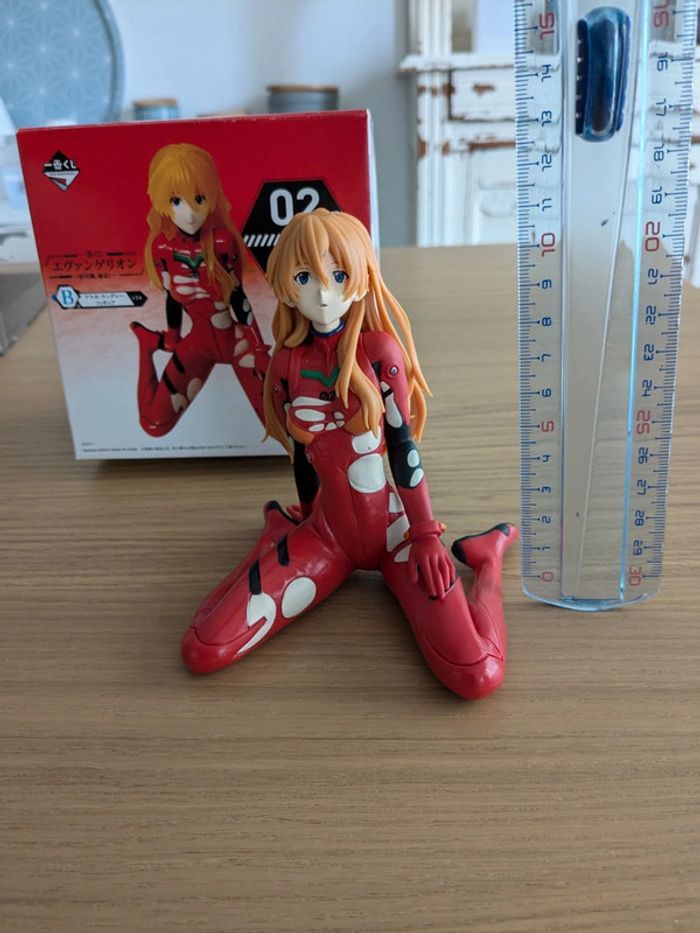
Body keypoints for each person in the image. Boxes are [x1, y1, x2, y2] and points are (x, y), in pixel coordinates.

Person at [181, 209, 517, 700]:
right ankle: (273, 534)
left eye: (338, 275)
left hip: (397, 533)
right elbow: (300, 455)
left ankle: (488, 560)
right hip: (326, 535)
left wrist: (425, 535)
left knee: (478, 673)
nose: (323, 293)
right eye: (305, 277)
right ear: (286, 286)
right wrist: (302, 518)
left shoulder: (380, 352)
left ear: (361, 276)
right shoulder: (286, 363)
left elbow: (403, 448)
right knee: (203, 648)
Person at [130, 142, 268, 436]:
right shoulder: (162, 248)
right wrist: (171, 337)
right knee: (154, 424)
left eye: (199, 199)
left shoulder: (222, 242)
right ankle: (146, 345)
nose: (191, 213)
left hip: (236, 341)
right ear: (163, 202)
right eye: (176, 201)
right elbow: (172, 297)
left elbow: (238, 296)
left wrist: (258, 346)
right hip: (199, 343)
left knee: (276, 421)